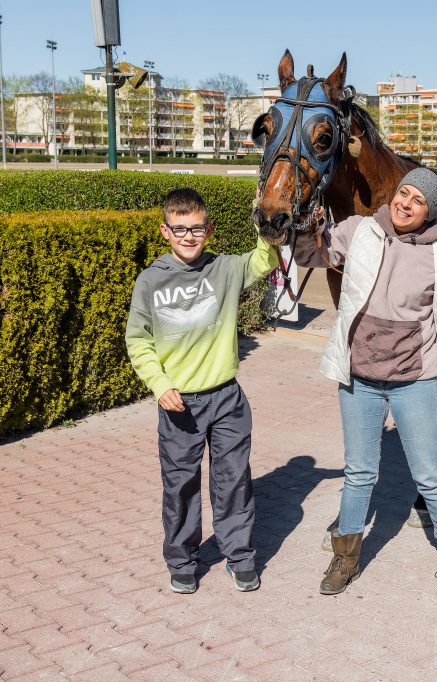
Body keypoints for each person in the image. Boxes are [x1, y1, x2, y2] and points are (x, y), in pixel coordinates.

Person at [292, 167, 437, 605]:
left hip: (415, 381)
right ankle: (345, 557)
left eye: (417, 201)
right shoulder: (359, 230)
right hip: (360, 379)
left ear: (428, 212)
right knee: (359, 473)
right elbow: (312, 252)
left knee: (430, 475)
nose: (406, 203)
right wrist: (298, 226)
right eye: (403, 193)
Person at [125, 188, 279, 594]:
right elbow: (137, 340)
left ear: (208, 230)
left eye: (196, 228)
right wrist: (159, 385)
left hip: (226, 397)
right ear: (165, 231)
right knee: (181, 486)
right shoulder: (151, 281)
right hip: (179, 404)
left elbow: (265, 259)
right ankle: (182, 559)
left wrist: (265, 213)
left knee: (233, 481)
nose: (189, 236)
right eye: (180, 229)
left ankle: (240, 556)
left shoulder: (225, 269)